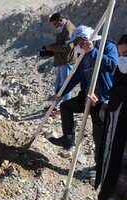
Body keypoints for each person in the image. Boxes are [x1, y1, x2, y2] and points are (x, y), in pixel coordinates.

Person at [49, 26, 118, 154]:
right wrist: (60, 93)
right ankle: (68, 139)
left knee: (98, 135)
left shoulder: (107, 46)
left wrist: (93, 52)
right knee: (66, 106)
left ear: (84, 40)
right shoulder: (83, 55)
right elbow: (75, 77)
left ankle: (99, 168)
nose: (75, 45)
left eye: (76, 42)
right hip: (86, 97)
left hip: (102, 100)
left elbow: (112, 65)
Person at [88, 34, 127, 200]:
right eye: (120, 54)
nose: (122, 59)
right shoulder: (121, 85)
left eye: (126, 54)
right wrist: (100, 105)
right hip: (115, 159)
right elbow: (115, 115)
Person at [45, 13, 77, 110]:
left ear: (61, 20)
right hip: (61, 60)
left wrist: (52, 47)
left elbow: (68, 46)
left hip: (66, 60)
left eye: (55, 24)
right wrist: (51, 46)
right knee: (58, 84)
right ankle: (56, 105)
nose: (55, 26)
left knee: (65, 85)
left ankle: (66, 107)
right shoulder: (63, 28)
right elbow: (61, 43)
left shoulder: (68, 28)